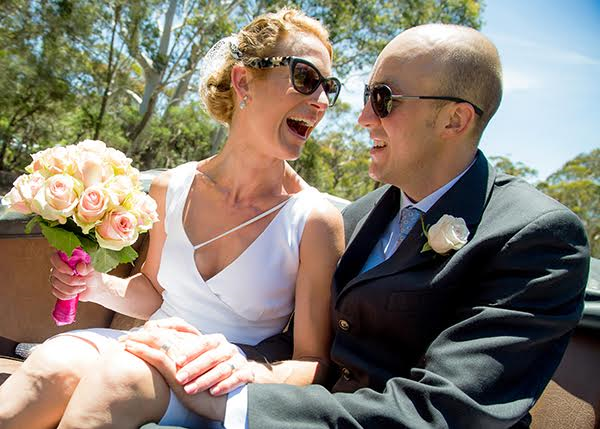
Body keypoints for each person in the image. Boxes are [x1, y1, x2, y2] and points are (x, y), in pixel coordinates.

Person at [124, 23, 591, 428]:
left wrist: (238, 403)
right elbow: (302, 343)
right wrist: (226, 364)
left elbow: (444, 411)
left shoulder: (539, 238)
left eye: (384, 100)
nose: (363, 118)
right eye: (367, 96)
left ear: (455, 119)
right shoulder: (357, 217)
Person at [0, 8, 345, 429]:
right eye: (305, 78)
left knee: (119, 380)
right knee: (51, 363)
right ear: (243, 81)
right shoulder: (171, 187)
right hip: (147, 342)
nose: (321, 101)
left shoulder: (313, 220)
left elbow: (313, 362)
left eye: (329, 87)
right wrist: (95, 285)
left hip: (214, 376)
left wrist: (251, 372)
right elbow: (151, 292)